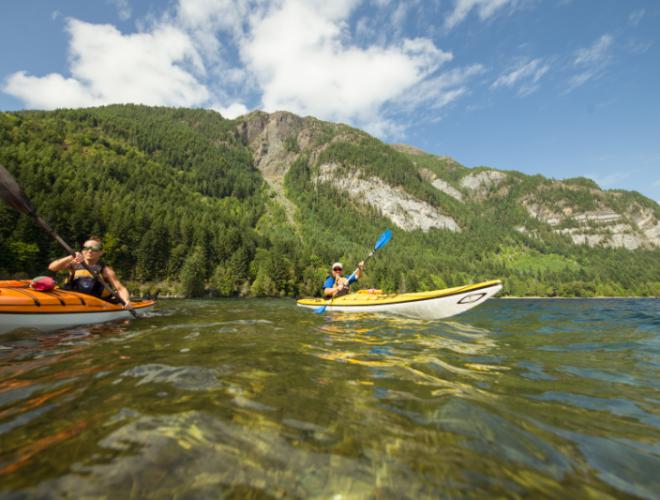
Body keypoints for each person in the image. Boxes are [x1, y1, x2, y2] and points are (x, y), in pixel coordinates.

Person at [48, 236, 131, 306]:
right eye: (86, 248)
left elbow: (120, 288)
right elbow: (52, 267)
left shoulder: (105, 270)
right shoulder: (73, 264)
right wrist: (70, 257)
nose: (90, 251)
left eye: (94, 248)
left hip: (95, 303)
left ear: (101, 252)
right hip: (72, 300)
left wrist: (126, 301)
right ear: (82, 250)